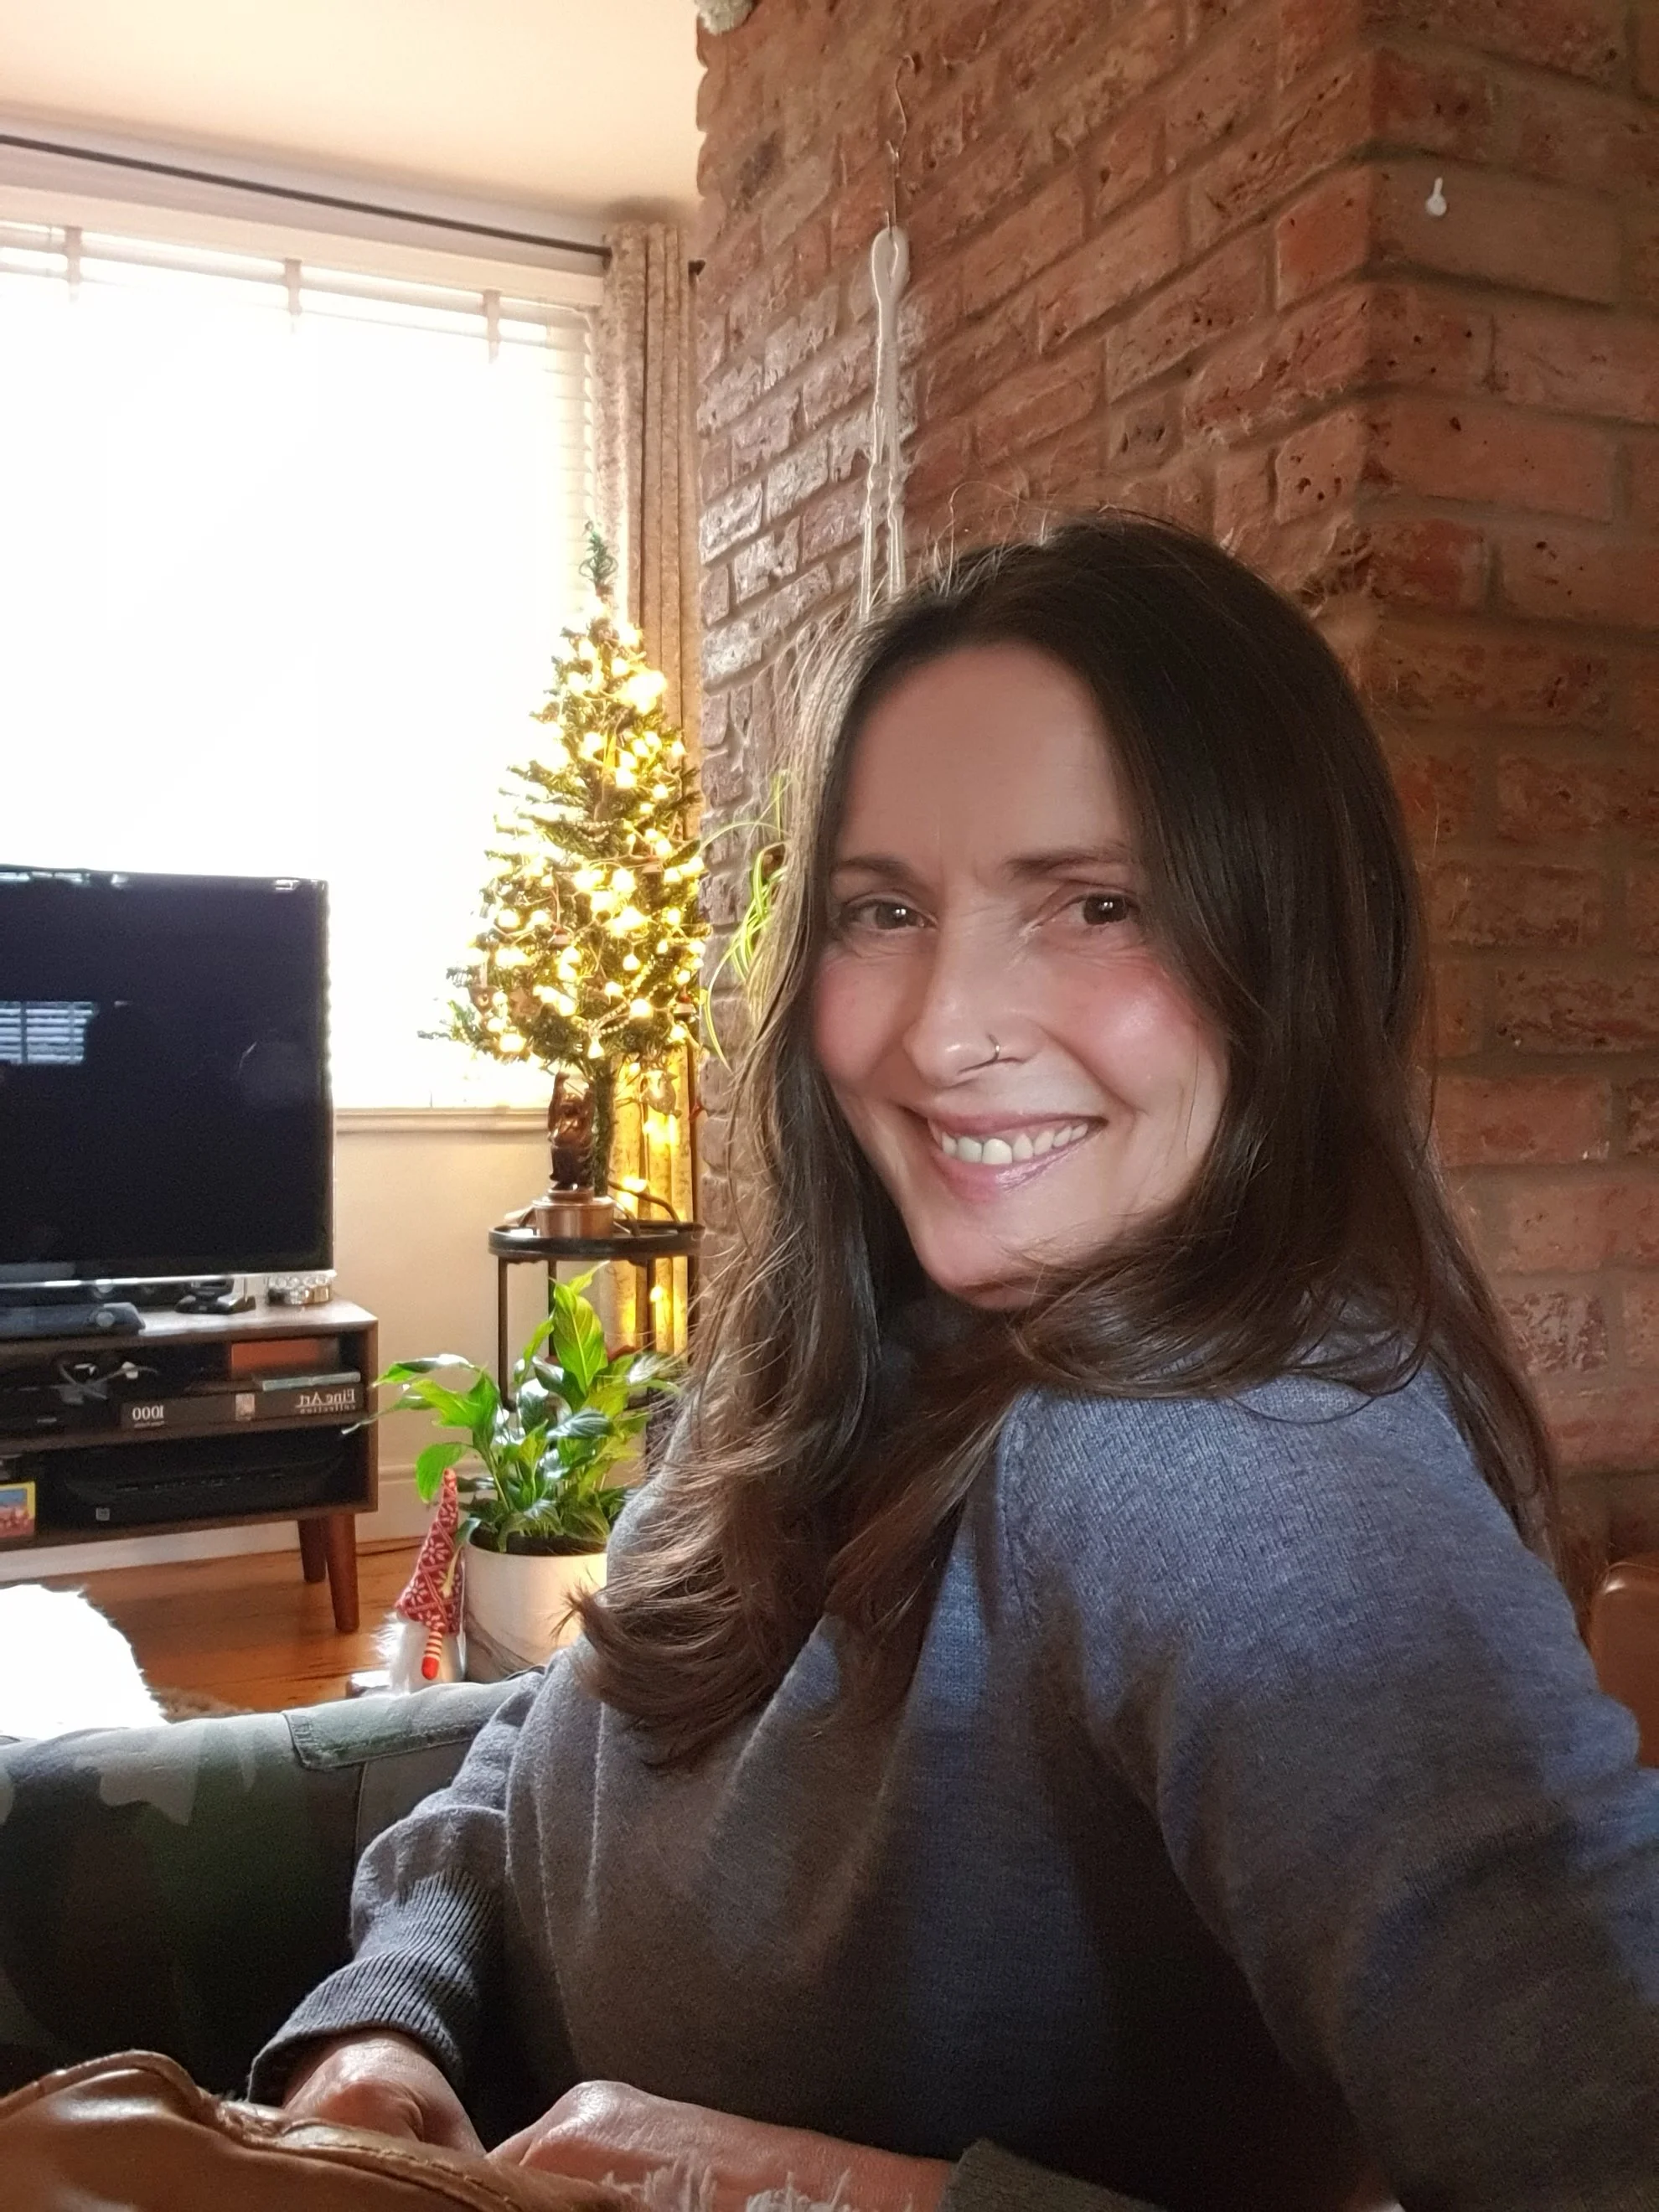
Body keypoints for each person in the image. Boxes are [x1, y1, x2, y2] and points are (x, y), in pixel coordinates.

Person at [254, 518, 1659, 2212]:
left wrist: (821, 2194)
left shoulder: (1235, 1462)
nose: (939, 1030)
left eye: (1093, 902)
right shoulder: (852, 1331)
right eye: (886, 907)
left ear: (1292, 946)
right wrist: (383, 2029)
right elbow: (559, 1745)